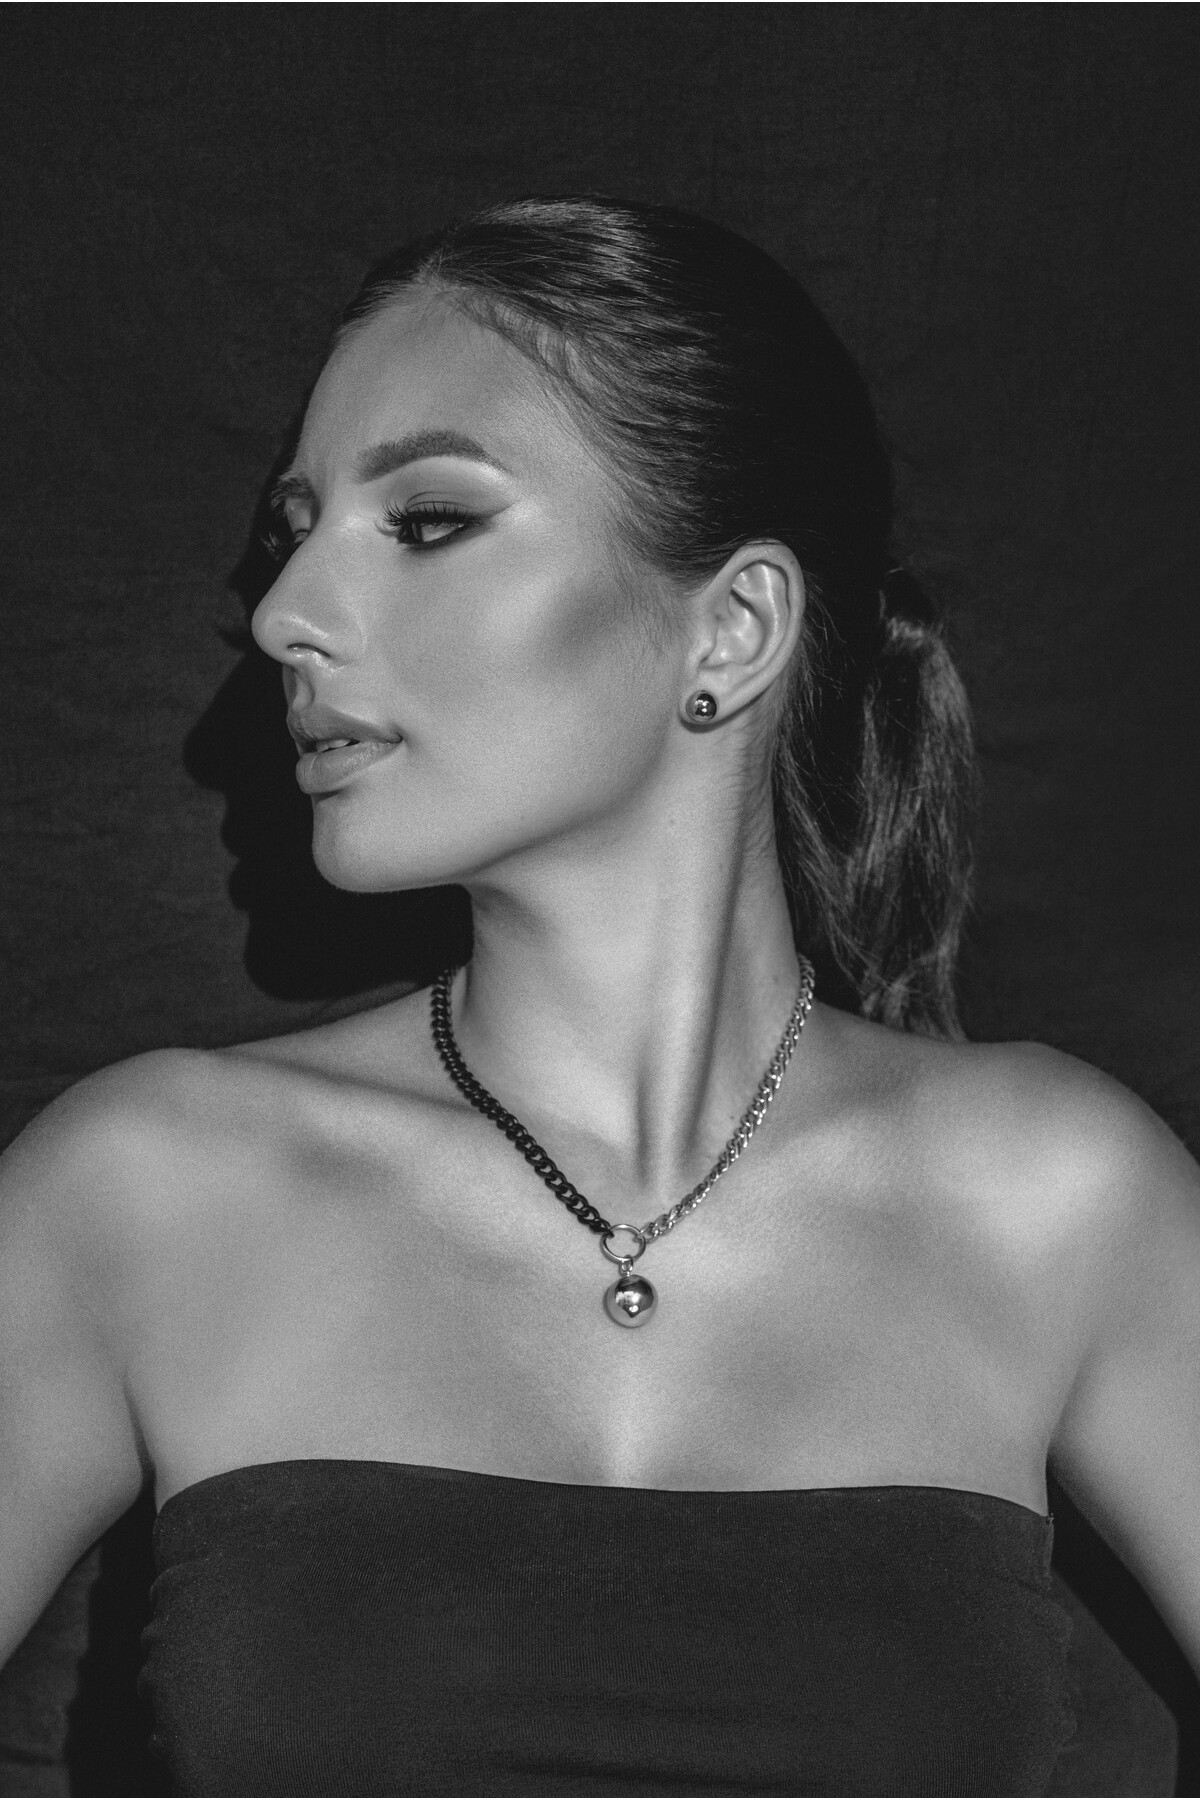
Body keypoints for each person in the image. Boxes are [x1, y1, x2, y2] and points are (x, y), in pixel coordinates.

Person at [1, 194, 1197, 1797]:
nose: (285, 617)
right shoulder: (144, 1193)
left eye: (428, 521)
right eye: (296, 533)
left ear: (733, 628)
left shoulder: (1056, 1201)